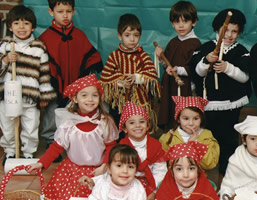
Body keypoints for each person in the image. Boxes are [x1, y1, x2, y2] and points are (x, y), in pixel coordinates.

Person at [26, 74, 118, 200]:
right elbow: (56, 147)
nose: (90, 99)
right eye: (84, 95)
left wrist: (105, 165)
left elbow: (111, 147)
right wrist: (42, 163)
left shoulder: (104, 122)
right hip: (72, 170)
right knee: (67, 195)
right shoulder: (68, 124)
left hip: (98, 169)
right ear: (75, 98)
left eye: (94, 95)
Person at [189, 8, 252, 184]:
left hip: (231, 105)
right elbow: (198, 73)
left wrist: (228, 68)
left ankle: (226, 181)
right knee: (207, 140)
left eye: (234, 31)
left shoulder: (240, 51)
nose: (230, 35)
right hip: (209, 105)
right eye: (226, 30)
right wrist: (206, 62)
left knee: (228, 143)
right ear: (217, 29)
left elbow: (245, 77)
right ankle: (203, 181)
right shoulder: (206, 48)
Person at [39, 0, 103, 150]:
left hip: (76, 84)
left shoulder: (79, 35)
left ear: (74, 11)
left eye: (68, 11)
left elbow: (90, 55)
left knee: (76, 111)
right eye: (60, 12)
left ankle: (76, 139)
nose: (65, 15)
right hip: (53, 84)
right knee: (52, 112)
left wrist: (90, 68)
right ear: (51, 12)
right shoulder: (45, 37)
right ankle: (50, 140)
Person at [0, 5, 56, 164]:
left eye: (26, 23)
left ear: (33, 27)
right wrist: (5, 60)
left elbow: (44, 74)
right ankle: (10, 152)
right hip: (9, 97)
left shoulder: (38, 48)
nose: (21, 27)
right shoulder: (5, 46)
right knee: (8, 127)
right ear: (10, 27)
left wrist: (44, 94)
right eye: (16, 23)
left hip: (30, 96)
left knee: (31, 127)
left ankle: (28, 153)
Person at [99, 13, 160, 133]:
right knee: (120, 129)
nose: (132, 39)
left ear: (140, 36)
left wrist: (136, 78)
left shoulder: (143, 56)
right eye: (127, 35)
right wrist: (121, 82)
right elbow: (105, 79)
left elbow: (152, 76)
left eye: (136, 35)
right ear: (120, 36)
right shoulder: (114, 56)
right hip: (119, 104)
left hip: (140, 102)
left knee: (139, 128)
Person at [155, 1, 201, 130]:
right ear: (172, 23)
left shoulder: (195, 44)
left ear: (194, 22)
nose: (180, 26)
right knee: (171, 115)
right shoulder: (173, 42)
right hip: (171, 87)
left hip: (186, 88)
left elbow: (196, 69)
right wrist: (161, 58)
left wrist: (179, 70)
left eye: (185, 21)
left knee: (184, 117)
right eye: (177, 22)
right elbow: (168, 67)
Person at [118, 101, 167, 200]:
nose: (138, 126)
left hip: (152, 184)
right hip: (128, 183)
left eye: (142, 121)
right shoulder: (122, 147)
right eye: (132, 123)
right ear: (125, 128)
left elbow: (160, 171)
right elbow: (118, 171)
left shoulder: (155, 146)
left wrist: (153, 191)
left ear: (148, 126)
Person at [159, 96, 219, 171]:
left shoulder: (207, 136)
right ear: (178, 119)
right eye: (186, 118)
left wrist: (195, 145)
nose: (191, 123)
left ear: (201, 119)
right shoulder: (169, 137)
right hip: (174, 180)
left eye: (196, 119)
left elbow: (209, 165)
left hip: (199, 181)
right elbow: (161, 165)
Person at [79, 144, 147, 200]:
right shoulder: (103, 182)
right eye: (119, 165)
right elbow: (95, 185)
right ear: (109, 169)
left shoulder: (137, 189)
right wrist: (89, 181)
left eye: (130, 167)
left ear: (136, 171)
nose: (125, 171)